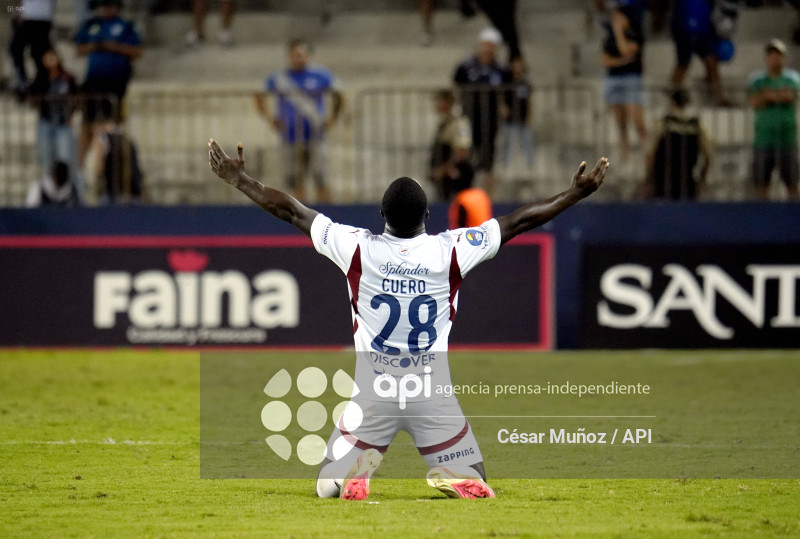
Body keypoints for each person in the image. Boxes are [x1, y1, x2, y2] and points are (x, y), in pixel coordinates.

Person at [207, 138, 609, 501]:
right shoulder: (450, 250)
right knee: (476, 476)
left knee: (325, 487)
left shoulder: (357, 248)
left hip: (373, 394)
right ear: (429, 215)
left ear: (381, 212)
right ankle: (452, 472)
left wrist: (240, 179)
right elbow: (519, 221)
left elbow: (291, 211)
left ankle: (351, 473)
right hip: (432, 395)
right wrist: (575, 193)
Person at [255, 39, 343, 203]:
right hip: (290, 136)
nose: (298, 58)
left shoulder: (320, 75)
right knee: (295, 178)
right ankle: (300, 218)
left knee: (320, 176)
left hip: (316, 135)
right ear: (289, 56)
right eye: (295, 55)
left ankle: (326, 215)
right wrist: (270, 119)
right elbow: (259, 95)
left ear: (308, 56)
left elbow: (338, 95)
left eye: (301, 55)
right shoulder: (280, 78)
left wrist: (331, 119)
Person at [74, 0, 143, 165]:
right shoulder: (90, 25)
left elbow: (137, 51)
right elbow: (78, 49)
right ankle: (78, 168)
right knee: (87, 126)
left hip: (116, 84)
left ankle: (114, 166)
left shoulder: (125, 26)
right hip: (94, 82)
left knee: (114, 127)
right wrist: (94, 46)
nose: (105, 9)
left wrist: (113, 47)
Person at [453, 28, 508, 196]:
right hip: (468, 116)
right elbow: (456, 84)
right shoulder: (466, 65)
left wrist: (503, 106)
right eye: (485, 44)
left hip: (490, 119)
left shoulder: (500, 69)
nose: (487, 48)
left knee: (488, 153)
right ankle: (463, 189)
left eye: (491, 45)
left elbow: (503, 91)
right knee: (465, 150)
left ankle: (486, 193)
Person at [28, 48, 85, 203]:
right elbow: (32, 100)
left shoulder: (67, 78)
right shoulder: (40, 79)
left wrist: (70, 114)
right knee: (47, 163)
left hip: (62, 123)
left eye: (52, 57)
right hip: (46, 123)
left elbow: (78, 98)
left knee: (68, 162)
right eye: (47, 58)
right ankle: (49, 197)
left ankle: (77, 198)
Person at [748, 39, 800, 201]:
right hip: (763, 140)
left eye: (778, 55)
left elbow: (789, 96)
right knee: (761, 185)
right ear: (766, 58)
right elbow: (755, 102)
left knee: (792, 184)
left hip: (787, 140)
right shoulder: (757, 79)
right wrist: (776, 95)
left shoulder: (792, 77)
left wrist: (768, 95)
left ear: (784, 58)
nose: (774, 58)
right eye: (771, 55)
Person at [598, 0, 648, 164]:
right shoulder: (609, 36)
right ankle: (624, 161)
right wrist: (621, 60)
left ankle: (650, 159)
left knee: (638, 123)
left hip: (631, 79)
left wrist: (619, 32)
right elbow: (605, 60)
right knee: (621, 126)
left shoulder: (635, 32)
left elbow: (627, 51)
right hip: (614, 80)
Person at [645, 88, 712, 200]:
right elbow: (708, 157)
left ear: (672, 102)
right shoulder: (697, 126)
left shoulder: (663, 124)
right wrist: (702, 178)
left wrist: (648, 178)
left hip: (663, 183)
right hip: (687, 182)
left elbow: (650, 154)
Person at [669, 0, 737, 107]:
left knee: (711, 61)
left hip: (703, 27)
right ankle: (673, 98)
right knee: (683, 63)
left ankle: (719, 97)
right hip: (685, 26)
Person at [429, 89, 473, 201]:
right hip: (444, 180)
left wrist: (443, 170)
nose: (436, 104)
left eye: (439, 101)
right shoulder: (444, 123)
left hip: (455, 179)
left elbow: (462, 151)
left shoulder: (459, 123)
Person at [91, 117, 145, 204]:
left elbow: (98, 167)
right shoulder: (126, 138)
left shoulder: (102, 138)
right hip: (133, 190)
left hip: (113, 190)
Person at [8, 0, 55, 100]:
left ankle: (34, 82)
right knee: (23, 51)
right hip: (36, 16)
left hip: (38, 17)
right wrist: (18, 12)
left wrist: (18, 12)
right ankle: (24, 81)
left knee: (37, 54)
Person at [500, 56, 534, 169]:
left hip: (522, 116)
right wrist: (503, 107)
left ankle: (529, 164)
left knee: (526, 141)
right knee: (507, 142)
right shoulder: (507, 81)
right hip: (510, 117)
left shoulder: (525, 82)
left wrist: (529, 115)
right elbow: (501, 96)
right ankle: (505, 164)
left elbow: (529, 99)